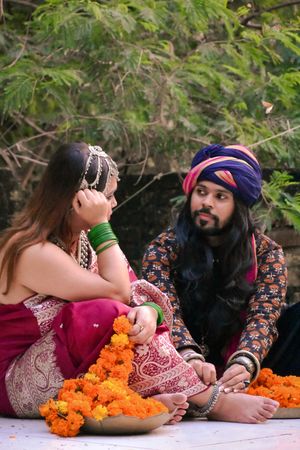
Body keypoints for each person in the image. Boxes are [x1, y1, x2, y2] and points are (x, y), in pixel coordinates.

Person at [0, 142, 278, 424]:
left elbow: (135, 292)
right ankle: (210, 401)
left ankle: (138, 397)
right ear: (79, 200)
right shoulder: (31, 251)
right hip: (14, 381)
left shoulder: (82, 242)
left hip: (64, 367)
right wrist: (100, 225)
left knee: (130, 318)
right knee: (99, 315)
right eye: (108, 196)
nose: (114, 204)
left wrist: (148, 312)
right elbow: (117, 293)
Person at [143, 143, 298, 397]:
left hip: (248, 361)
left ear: (238, 205)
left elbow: (264, 317)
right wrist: (188, 355)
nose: (206, 203)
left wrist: (245, 361)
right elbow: (165, 309)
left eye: (220, 196)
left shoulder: (267, 253)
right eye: (201, 192)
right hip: (178, 358)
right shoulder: (162, 249)